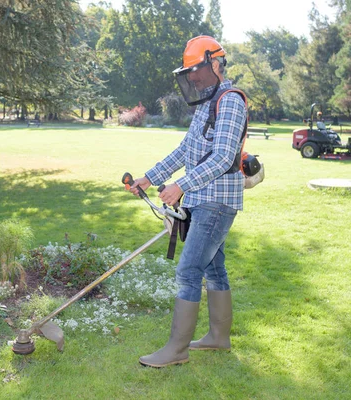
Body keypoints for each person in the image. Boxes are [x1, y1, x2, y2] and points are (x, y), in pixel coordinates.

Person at [129, 35, 247, 368]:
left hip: (216, 202)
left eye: (196, 70)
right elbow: (186, 150)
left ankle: (177, 349)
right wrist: (149, 177)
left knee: (188, 270)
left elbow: (224, 157)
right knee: (214, 267)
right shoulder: (207, 102)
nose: (192, 77)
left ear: (214, 64)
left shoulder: (230, 101)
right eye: (188, 72)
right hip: (203, 198)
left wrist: (180, 185)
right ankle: (218, 338)